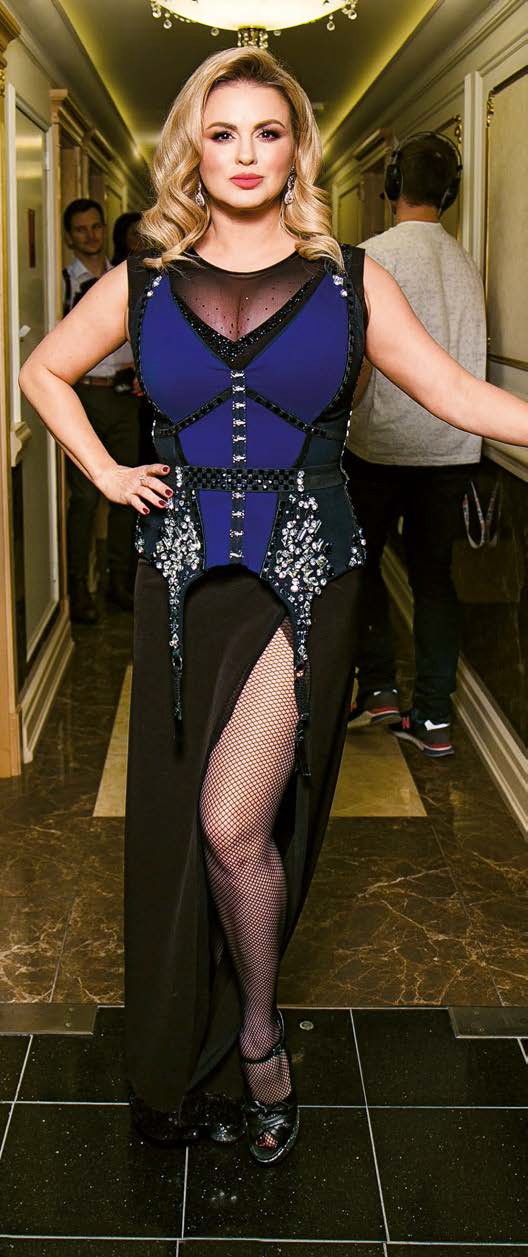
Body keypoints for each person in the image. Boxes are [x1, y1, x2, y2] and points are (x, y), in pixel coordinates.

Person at [20, 49, 528, 1166]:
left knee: (231, 823)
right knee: (179, 824)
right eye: (223, 133)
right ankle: (183, 1042)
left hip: (309, 579)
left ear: (298, 148)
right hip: (179, 587)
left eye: (268, 131)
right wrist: (106, 473)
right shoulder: (142, 281)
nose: (245, 154)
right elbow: (43, 371)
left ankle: (258, 1034)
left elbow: (455, 393)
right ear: (192, 151)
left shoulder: (352, 280)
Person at [344, 132, 487, 756]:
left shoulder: (369, 258)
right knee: (434, 580)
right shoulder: (466, 263)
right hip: (452, 449)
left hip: (378, 446)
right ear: (449, 194)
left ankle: (377, 688)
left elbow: (359, 363)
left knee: (359, 565)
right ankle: (433, 719)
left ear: (392, 185)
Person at [63, 199, 140, 621]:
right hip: (84, 396)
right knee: (85, 498)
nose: (90, 235)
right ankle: (78, 589)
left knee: (129, 492)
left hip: (124, 396)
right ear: (69, 236)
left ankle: (119, 582)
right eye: (81, 229)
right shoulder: (63, 282)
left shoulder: (122, 276)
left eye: (95, 227)